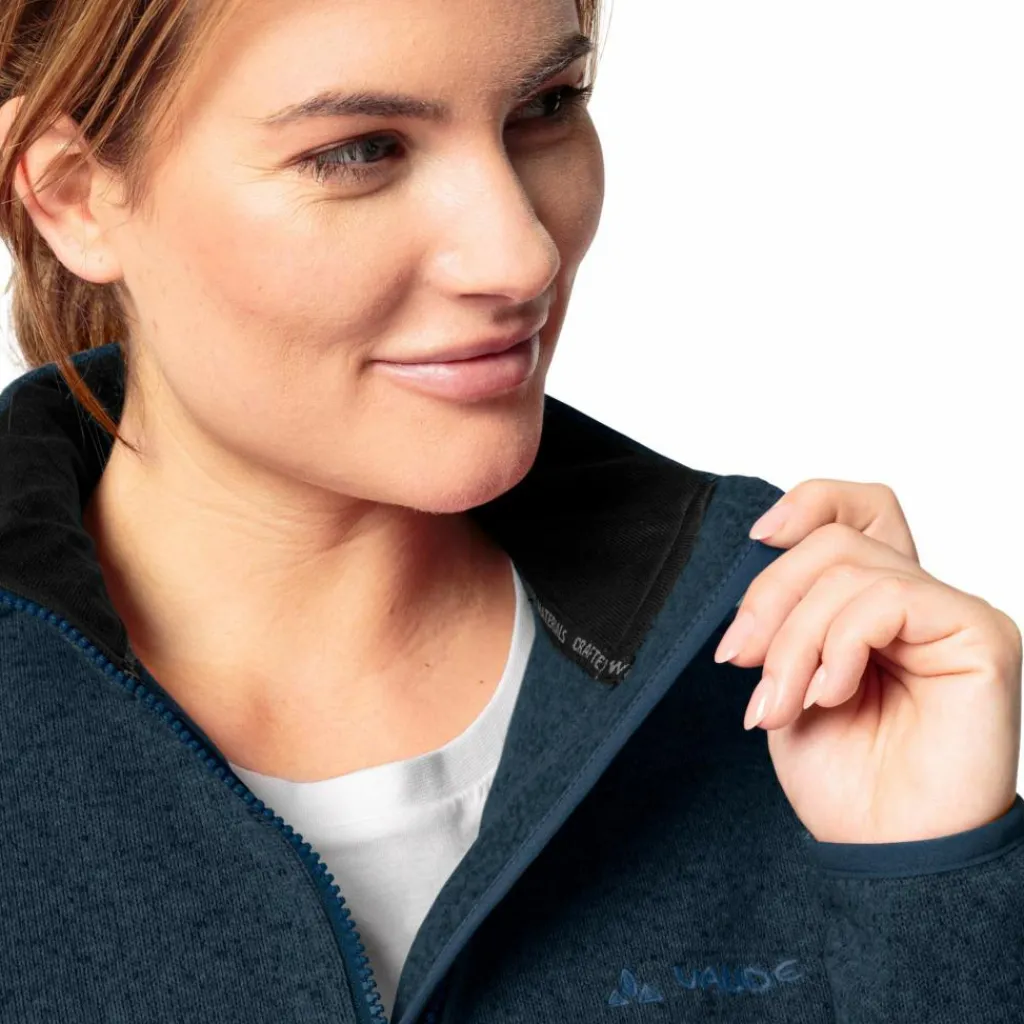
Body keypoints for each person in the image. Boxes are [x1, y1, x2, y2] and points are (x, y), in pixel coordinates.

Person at [0, 1, 1020, 1022]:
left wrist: (929, 885)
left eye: (546, 106)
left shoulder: (795, 675)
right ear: (74, 194)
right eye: (360, 150)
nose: (521, 256)